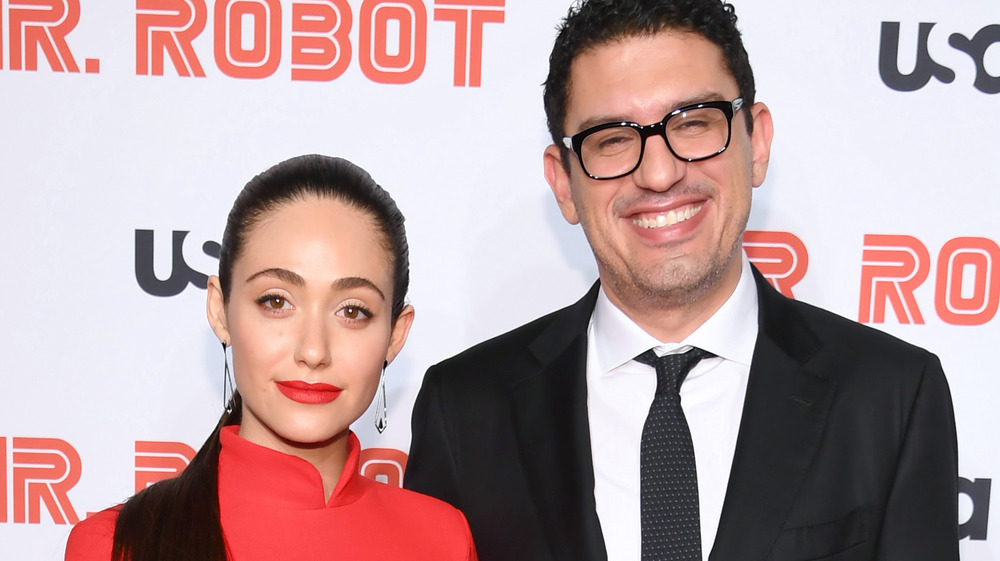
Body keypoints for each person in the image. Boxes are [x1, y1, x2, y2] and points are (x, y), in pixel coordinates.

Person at [403, 1, 959, 560]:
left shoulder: (890, 396)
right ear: (565, 184)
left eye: (693, 124)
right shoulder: (467, 409)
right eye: (613, 140)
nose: (659, 173)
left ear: (756, 143)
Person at [65, 155, 478, 561]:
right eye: (276, 301)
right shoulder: (115, 546)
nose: (313, 351)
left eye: (352, 311)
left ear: (395, 334)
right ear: (220, 310)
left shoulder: (441, 541)